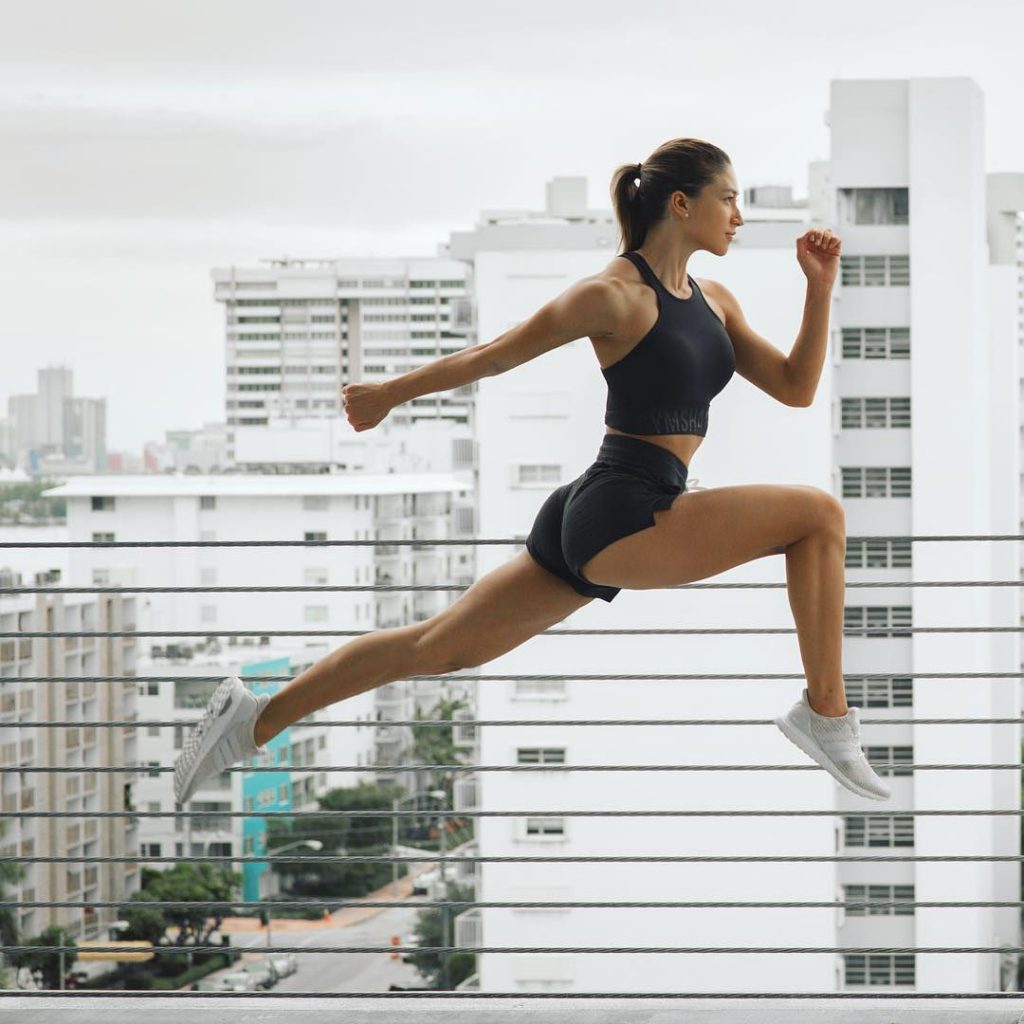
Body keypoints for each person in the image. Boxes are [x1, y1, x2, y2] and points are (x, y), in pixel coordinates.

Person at [174, 136, 890, 806]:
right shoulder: (612, 296)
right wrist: (389, 393)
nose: (739, 214)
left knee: (438, 648)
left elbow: (796, 387)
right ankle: (827, 714)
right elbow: (496, 355)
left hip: (612, 505)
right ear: (681, 203)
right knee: (819, 515)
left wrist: (819, 287)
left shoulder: (714, 302)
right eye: (728, 199)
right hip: (622, 507)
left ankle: (256, 718)